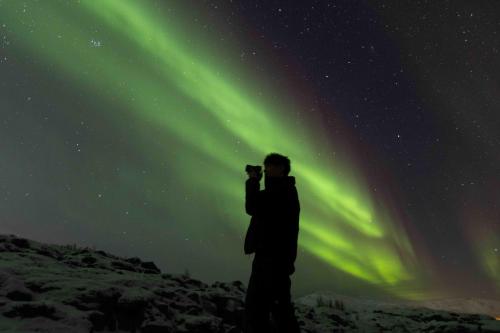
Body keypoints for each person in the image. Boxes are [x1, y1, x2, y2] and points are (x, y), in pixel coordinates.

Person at [243, 152, 301, 333]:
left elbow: (252, 206)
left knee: (269, 307)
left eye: (272, 166)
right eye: (267, 166)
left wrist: (253, 180)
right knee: (269, 307)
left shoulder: (284, 190)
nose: (267, 170)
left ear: (282, 169)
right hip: (269, 256)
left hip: (275, 258)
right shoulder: (279, 190)